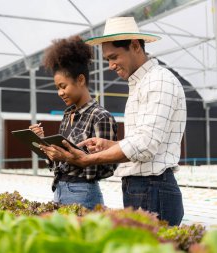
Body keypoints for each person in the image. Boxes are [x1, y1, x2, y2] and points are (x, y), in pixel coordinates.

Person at [41, 17, 187, 226]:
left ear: (135, 46)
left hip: (153, 188)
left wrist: (87, 159)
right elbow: (143, 142)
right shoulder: (141, 84)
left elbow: (145, 145)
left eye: (114, 56)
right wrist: (111, 145)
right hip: (141, 187)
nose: (110, 65)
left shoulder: (158, 81)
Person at [29, 35, 118, 210]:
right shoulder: (67, 115)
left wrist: (73, 158)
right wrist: (44, 144)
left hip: (83, 192)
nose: (60, 93)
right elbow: (59, 164)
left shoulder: (100, 116)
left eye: (63, 86)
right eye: (57, 88)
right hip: (59, 189)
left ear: (80, 80)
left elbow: (108, 167)